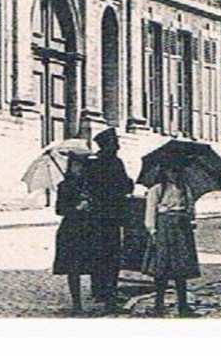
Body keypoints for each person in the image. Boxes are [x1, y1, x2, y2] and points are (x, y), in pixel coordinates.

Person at [82, 127, 134, 312]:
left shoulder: (91, 163)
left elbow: (86, 187)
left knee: (96, 253)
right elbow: (125, 186)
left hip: (94, 216)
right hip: (112, 216)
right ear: (109, 145)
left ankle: (98, 290)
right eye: (115, 142)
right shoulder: (114, 163)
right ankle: (109, 291)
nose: (118, 146)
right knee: (112, 255)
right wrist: (129, 184)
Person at [143, 163, 201, 316]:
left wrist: (191, 218)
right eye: (171, 170)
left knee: (181, 267)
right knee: (161, 268)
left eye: (177, 170)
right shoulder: (157, 189)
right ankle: (158, 305)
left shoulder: (185, 189)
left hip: (181, 229)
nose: (174, 174)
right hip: (164, 229)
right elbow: (150, 211)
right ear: (165, 171)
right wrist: (152, 230)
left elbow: (191, 208)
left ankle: (183, 305)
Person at [52, 152, 96, 313]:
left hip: (89, 229)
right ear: (70, 167)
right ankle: (76, 302)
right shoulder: (64, 186)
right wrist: (77, 208)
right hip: (71, 229)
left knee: (93, 265)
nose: (80, 169)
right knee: (73, 268)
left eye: (83, 166)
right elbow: (59, 209)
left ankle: (96, 295)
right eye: (76, 165)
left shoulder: (90, 185)